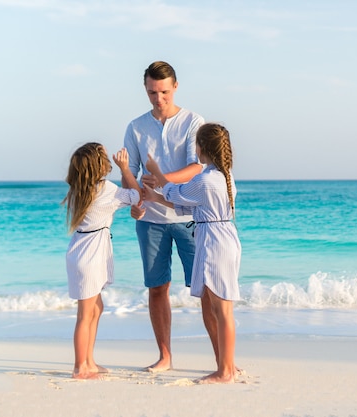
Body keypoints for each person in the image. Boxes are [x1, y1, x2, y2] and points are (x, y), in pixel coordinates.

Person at [143, 123, 241, 384]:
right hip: (222, 236)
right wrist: (155, 198)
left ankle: (225, 371)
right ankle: (227, 366)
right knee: (219, 305)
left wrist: (156, 173)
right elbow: (187, 206)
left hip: (214, 241)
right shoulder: (224, 176)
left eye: (196, 144)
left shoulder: (205, 180)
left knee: (222, 309)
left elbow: (177, 192)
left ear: (202, 147)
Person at [122, 61, 204, 372]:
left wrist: (163, 179)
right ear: (145, 89)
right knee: (157, 288)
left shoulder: (193, 121)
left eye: (164, 92)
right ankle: (165, 357)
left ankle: (222, 359)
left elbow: (198, 166)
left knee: (206, 288)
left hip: (188, 217)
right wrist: (134, 197)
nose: (159, 99)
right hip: (150, 220)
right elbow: (129, 173)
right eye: (152, 92)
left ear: (176, 87)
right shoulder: (136, 126)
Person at [63, 143, 141, 379]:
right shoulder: (105, 189)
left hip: (80, 252)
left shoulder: (80, 188)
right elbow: (137, 196)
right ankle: (80, 367)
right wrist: (126, 169)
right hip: (91, 256)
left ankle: (89, 361)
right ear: (100, 164)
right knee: (85, 314)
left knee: (97, 308)